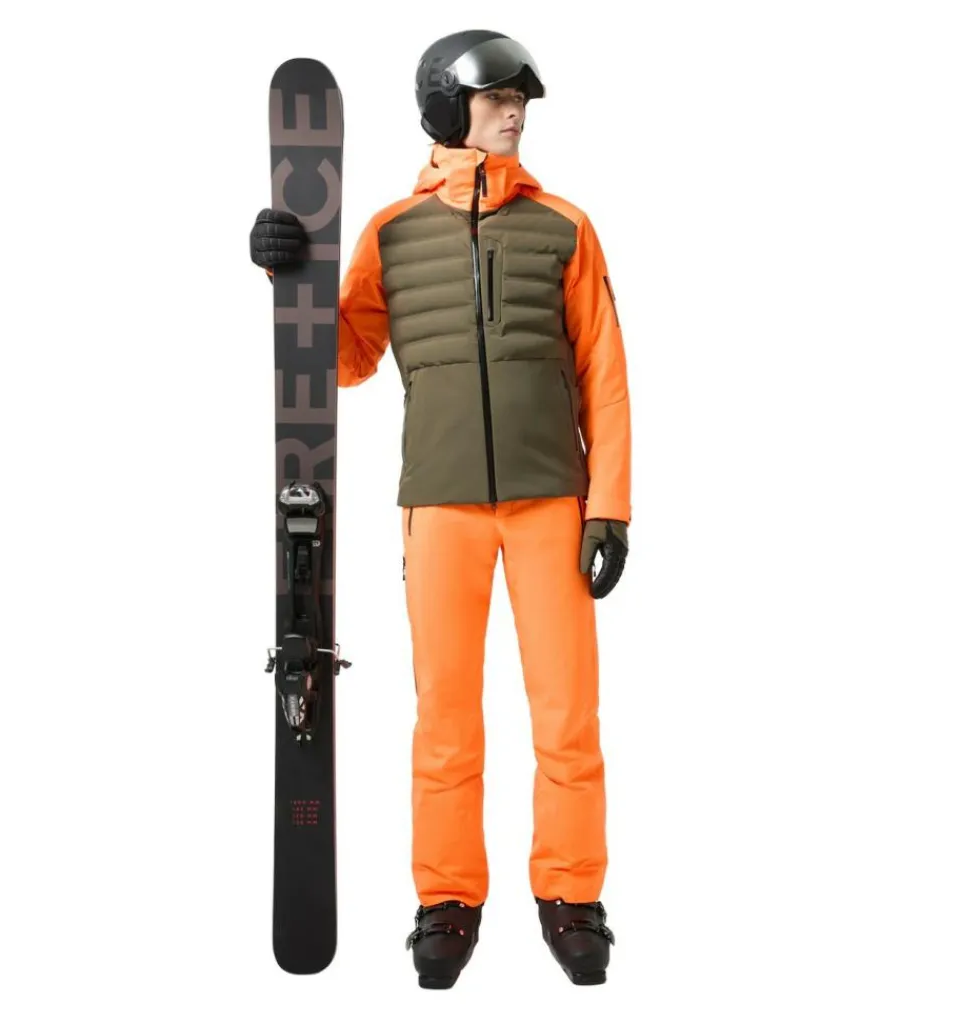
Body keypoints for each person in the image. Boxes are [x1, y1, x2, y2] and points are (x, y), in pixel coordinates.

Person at [250, 29, 632, 988]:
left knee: (567, 715)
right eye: (498, 97)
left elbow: (605, 372)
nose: (516, 112)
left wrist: (611, 508)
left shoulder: (565, 228)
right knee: (446, 718)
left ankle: (571, 896)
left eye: (521, 100)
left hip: (552, 503)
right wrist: (289, 273)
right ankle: (448, 900)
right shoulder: (392, 233)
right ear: (448, 107)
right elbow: (344, 359)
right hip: (440, 507)